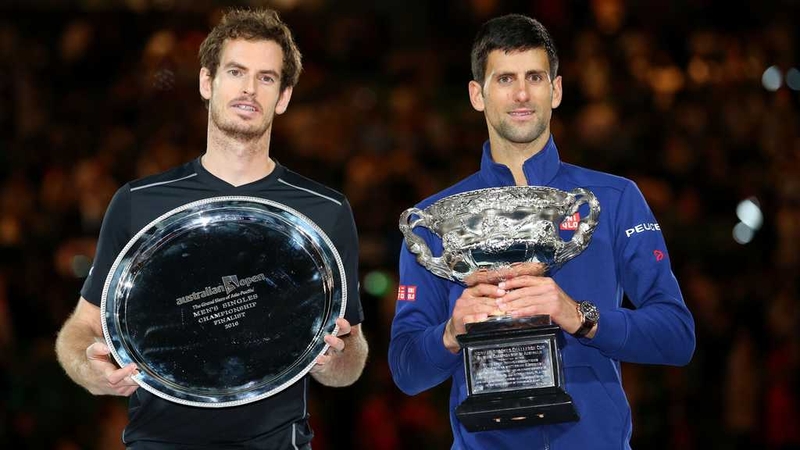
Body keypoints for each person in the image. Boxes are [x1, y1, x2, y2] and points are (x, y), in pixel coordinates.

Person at [54, 8, 368, 449]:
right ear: (207, 82)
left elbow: (351, 358)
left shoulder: (324, 211)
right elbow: (81, 327)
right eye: (236, 72)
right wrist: (92, 371)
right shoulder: (138, 202)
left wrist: (335, 360)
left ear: (283, 97)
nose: (249, 89)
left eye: (266, 78)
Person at [388, 14, 695, 450]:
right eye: (504, 79)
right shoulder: (439, 219)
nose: (521, 94)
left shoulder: (613, 200)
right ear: (477, 94)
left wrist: (581, 317)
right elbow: (405, 371)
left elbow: (677, 336)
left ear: (557, 90)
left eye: (534, 77)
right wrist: (451, 333)